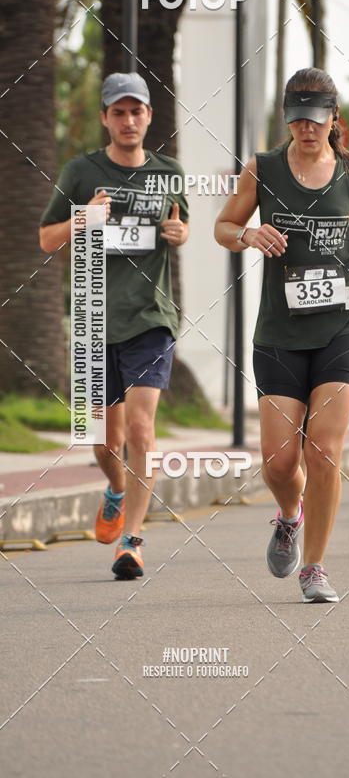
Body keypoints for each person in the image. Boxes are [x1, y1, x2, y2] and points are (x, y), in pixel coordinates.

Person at [215, 67, 349, 602]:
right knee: (278, 462)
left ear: (333, 120)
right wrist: (248, 234)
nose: (307, 129)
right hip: (279, 329)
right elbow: (222, 227)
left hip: (344, 327)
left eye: (316, 120)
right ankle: (289, 515)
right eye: (297, 119)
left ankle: (314, 568)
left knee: (322, 453)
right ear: (287, 120)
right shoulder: (264, 168)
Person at [39, 72, 189, 579]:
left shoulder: (170, 171)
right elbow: (46, 239)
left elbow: (179, 224)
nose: (128, 120)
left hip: (151, 317)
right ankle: (117, 491)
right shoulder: (81, 171)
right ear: (105, 118)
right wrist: (82, 218)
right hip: (95, 318)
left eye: (137, 111)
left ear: (149, 116)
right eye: (118, 112)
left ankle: (132, 540)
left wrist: (179, 231)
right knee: (106, 441)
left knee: (143, 431)